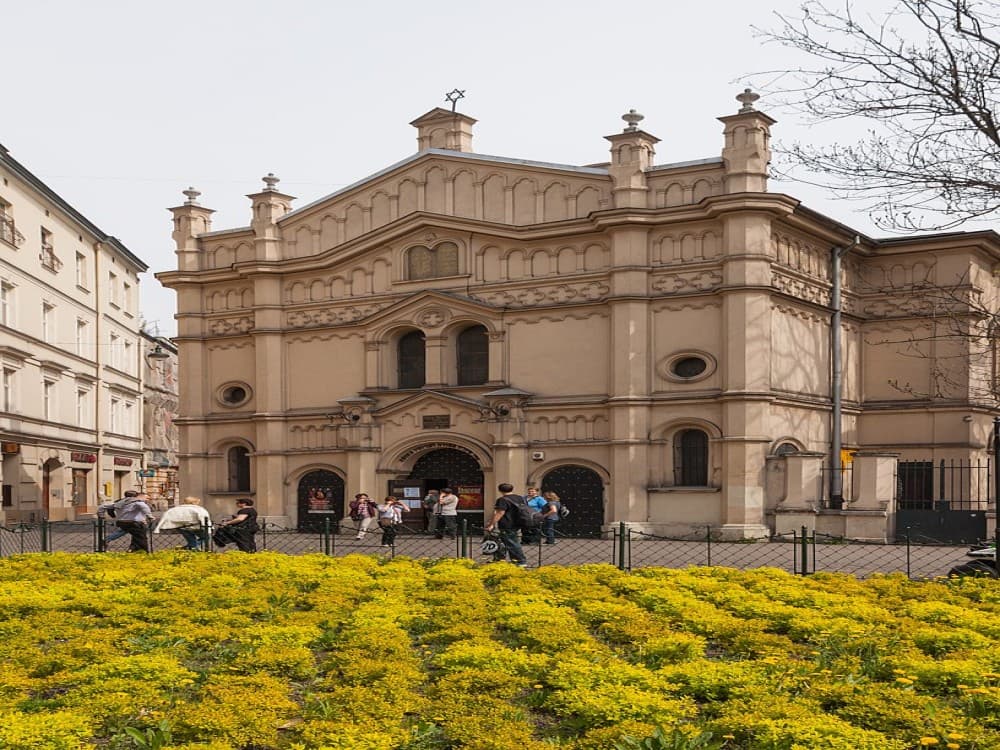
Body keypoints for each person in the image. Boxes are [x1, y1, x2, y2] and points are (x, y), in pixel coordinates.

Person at [483, 482, 528, 567]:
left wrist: (491, 524)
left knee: (512, 542)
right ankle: (499, 559)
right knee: (502, 542)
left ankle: (520, 561)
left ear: (500, 490)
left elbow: (500, 512)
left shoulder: (503, 499)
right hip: (518, 522)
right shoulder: (520, 498)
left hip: (507, 523)